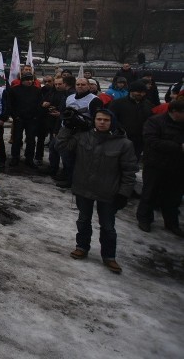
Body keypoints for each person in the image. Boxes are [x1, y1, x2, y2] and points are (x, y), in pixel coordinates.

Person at [57, 110, 138, 273]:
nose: (102, 122)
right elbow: (61, 146)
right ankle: (82, 246)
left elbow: (129, 171)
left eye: (106, 120)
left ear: (112, 122)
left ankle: (109, 256)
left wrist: (124, 192)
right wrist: (67, 127)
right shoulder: (83, 136)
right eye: (99, 119)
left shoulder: (124, 144)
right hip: (84, 188)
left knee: (108, 226)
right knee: (83, 220)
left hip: (108, 191)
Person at [136, 99, 184, 236]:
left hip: (177, 166)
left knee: (173, 196)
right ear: (175, 112)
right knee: (150, 192)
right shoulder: (155, 122)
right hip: (155, 164)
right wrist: (178, 147)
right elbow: (151, 141)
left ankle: (171, 223)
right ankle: (144, 219)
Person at [7, 73, 43, 170]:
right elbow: (11, 104)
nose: (29, 81)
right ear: (22, 80)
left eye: (30, 79)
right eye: (27, 79)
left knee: (31, 140)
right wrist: (15, 116)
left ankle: (29, 158)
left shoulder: (37, 90)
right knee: (17, 138)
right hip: (19, 118)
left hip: (32, 119)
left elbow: (40, 104)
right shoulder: (14, 90)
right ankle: (15, 157)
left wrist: (36, 116)